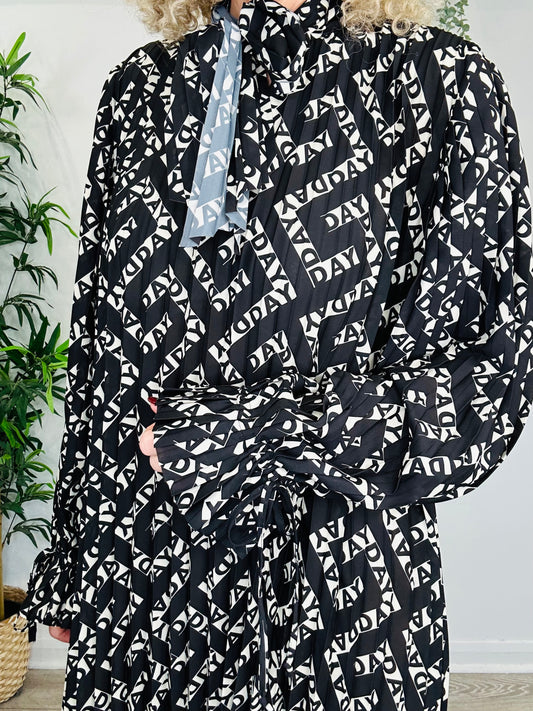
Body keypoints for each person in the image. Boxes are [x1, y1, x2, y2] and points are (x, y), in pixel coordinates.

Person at [14, 0, 533, 709]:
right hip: (147, 568)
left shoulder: (442, 82)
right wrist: (76, 560)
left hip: (342, 577)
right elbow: (101, 355)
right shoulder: (141, 89)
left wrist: (244, 431)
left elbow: (481, 388)